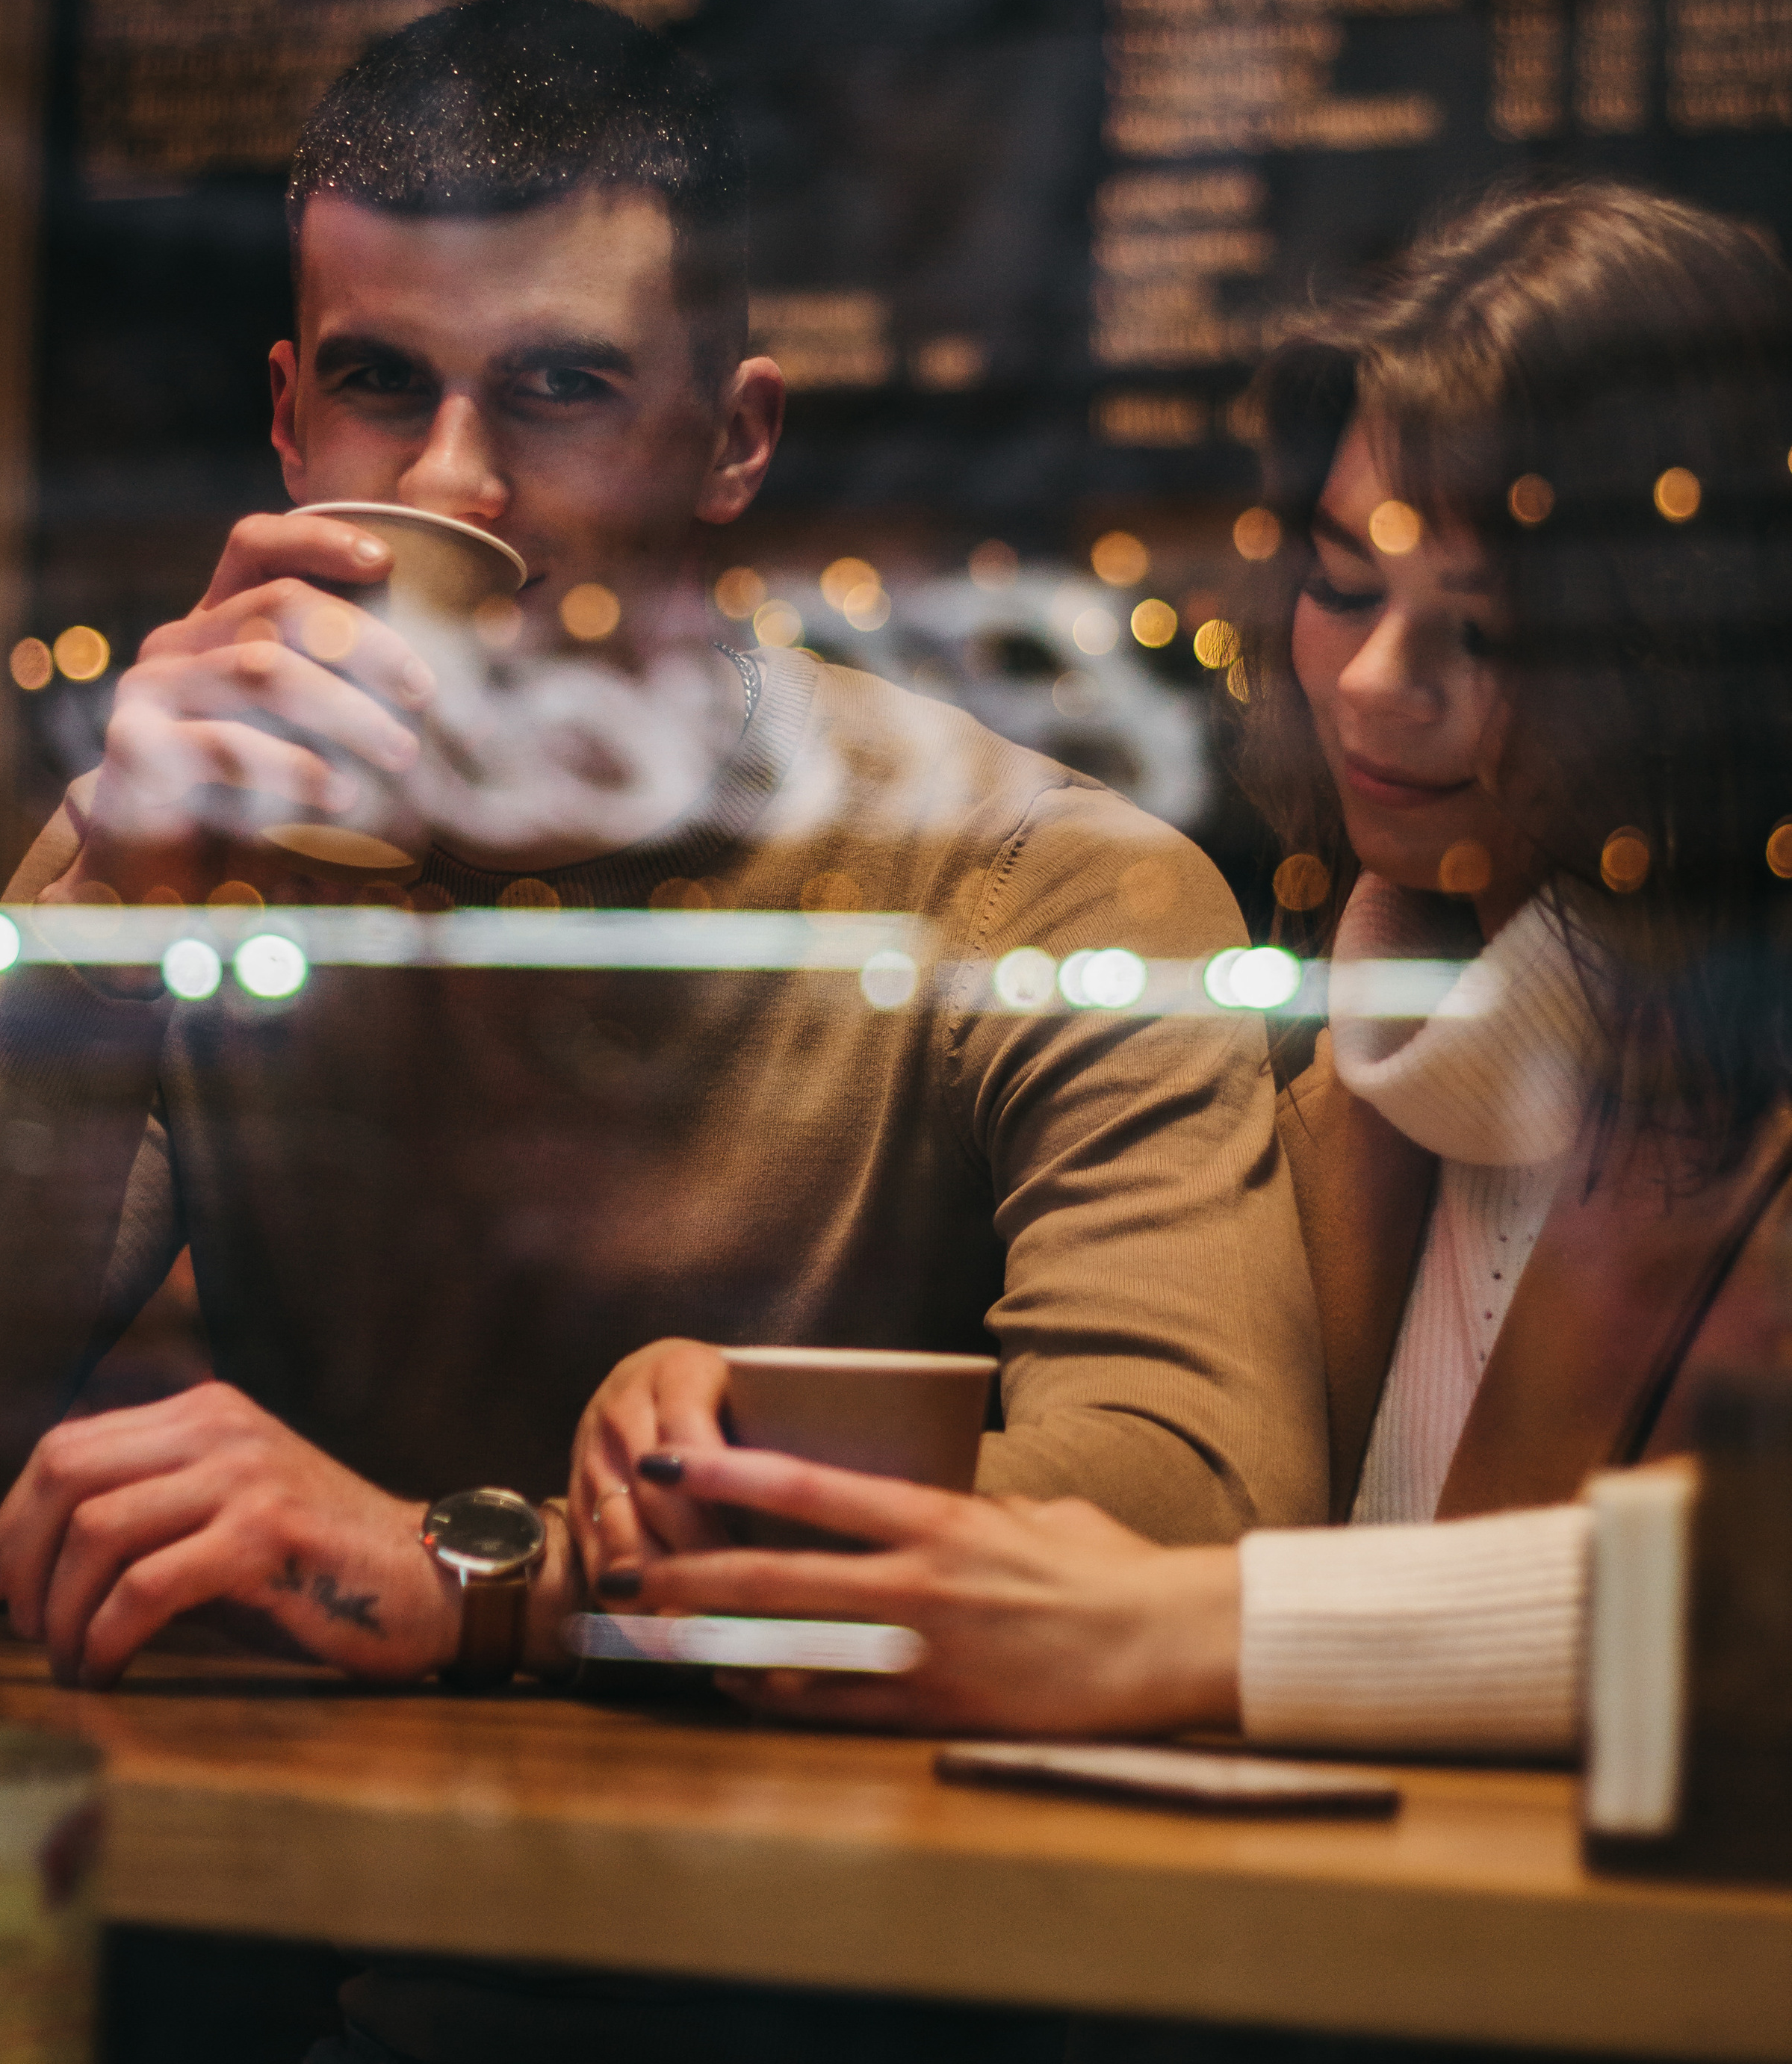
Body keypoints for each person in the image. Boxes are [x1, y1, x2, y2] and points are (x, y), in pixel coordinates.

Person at [0, 0, 1322, 1699]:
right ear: (287, 420)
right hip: (328, 1910)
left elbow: (1196, 1522)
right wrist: (109, 925)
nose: (456, 479)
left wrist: (496, 1579)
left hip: (829, 1924)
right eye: (378, 384)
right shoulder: (185, 847)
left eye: (560, 385)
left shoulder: (1028, 882)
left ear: (734, 438)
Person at [610, 179, 1792, 1756]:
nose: (1373, 685)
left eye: (1489, 630)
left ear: (1694, 651)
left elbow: (1741, 1605)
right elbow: (1118, 1498)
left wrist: (1198, 1624)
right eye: (1341, 588)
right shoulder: (1352, 1084)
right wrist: (738, 1435)